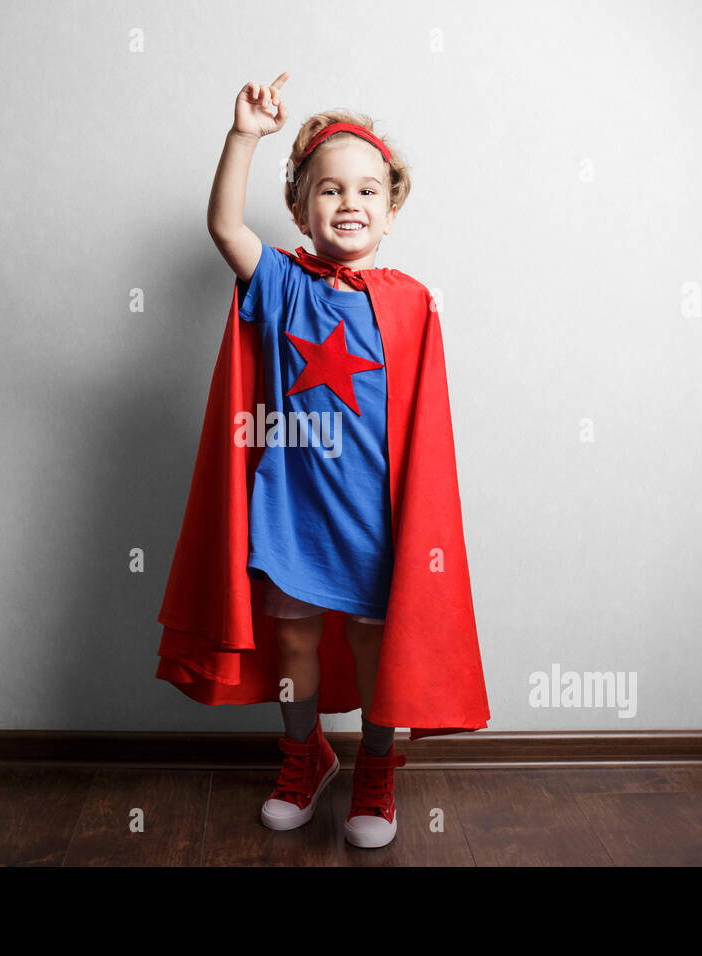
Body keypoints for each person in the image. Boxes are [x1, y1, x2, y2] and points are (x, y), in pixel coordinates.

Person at [155, 72, 490, 850]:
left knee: (378, 648)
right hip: (291, 509)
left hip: (374, 517)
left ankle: (377, 767)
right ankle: (304, 755)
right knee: (295, 644)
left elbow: (423, 434)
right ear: (301, 207)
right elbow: (223, 227)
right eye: (328, 188)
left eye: (368, 191)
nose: (349, 202)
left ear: (390, 212)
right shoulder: (280, 282)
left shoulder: (409, 301)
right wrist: (245, 135)